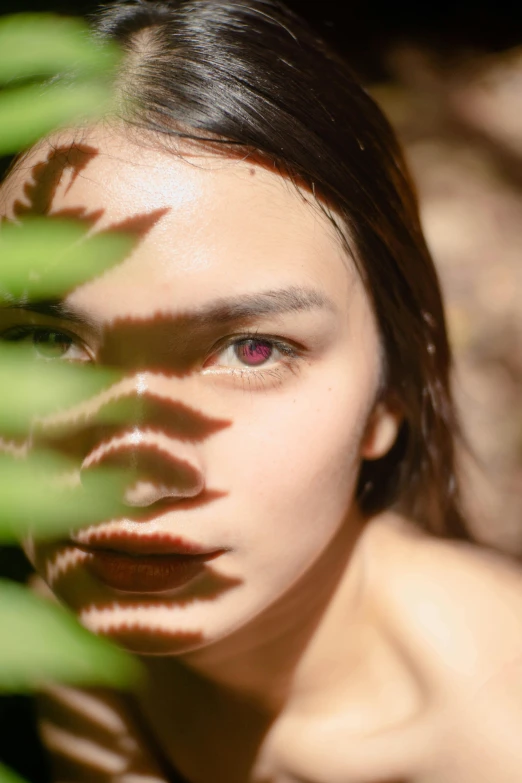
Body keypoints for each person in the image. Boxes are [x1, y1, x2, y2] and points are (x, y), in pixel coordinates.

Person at [1, 1, 522, 781]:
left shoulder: (497, 735)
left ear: (391, 394)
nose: (135, 481)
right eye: (48, 342)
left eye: (252, 349)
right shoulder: (71, 640)